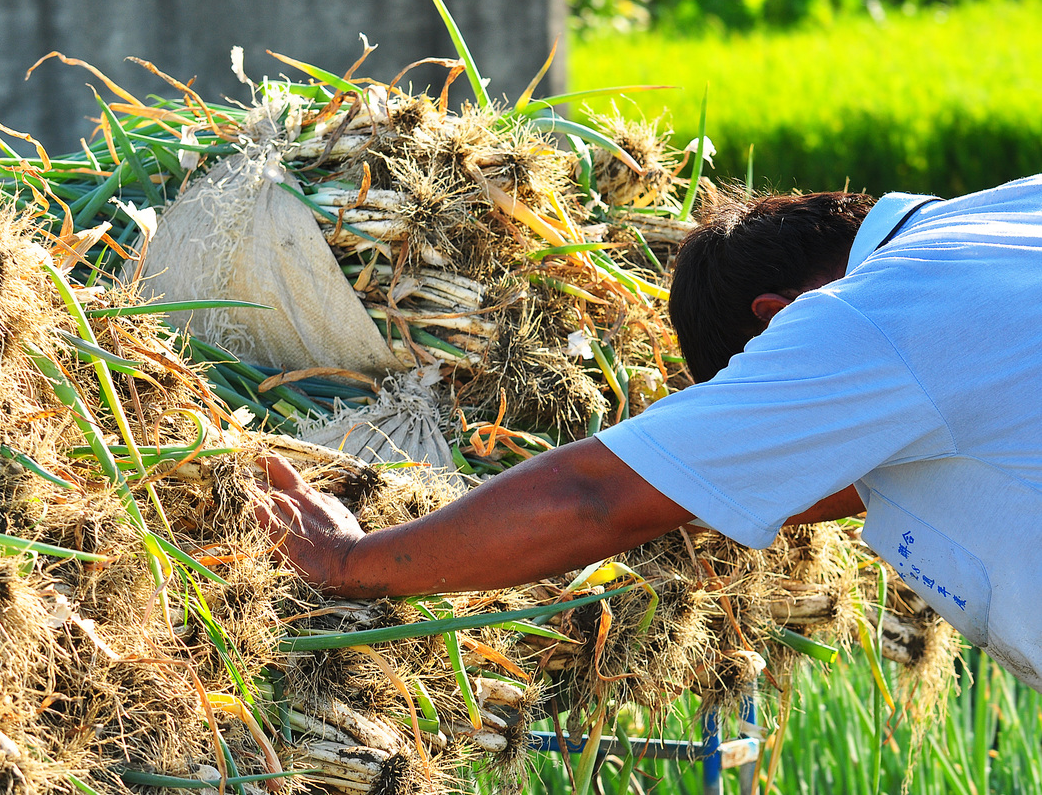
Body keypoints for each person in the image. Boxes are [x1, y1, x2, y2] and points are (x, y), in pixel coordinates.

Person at [254, 174, 1042, 692]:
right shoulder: (1010, 213)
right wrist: (707, 488)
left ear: (773, 320)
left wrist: (349, 561)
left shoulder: (859, 320)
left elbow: (596, 497)